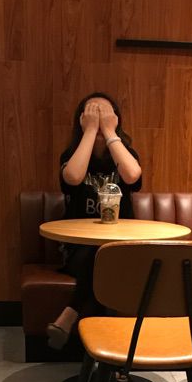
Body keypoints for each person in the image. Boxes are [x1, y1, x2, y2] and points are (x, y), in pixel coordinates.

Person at [46, 92, 142, 349]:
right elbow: (73, 178)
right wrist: (89, 132)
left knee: (107, 257)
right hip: (77, 248)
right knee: (100, 257)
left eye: (105, 114)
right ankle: (110, 352)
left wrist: (110, 132)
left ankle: (71, 315)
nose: (98, 119)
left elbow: (132, 175)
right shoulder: (71, 155)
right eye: (92, 114)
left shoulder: (126, 155)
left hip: (121, 248)